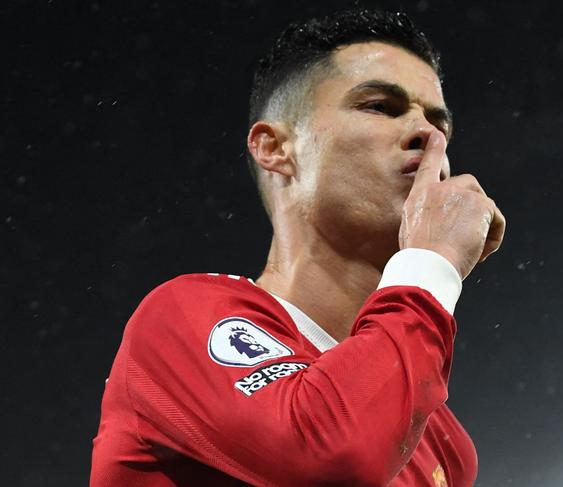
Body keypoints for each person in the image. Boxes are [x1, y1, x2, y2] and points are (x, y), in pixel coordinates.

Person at [90, 8, 505, 487]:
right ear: (275, 148)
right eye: (379, 106)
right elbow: (331, 459)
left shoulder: (439, 442)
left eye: (439, 124)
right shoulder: (180, 317)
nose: (428, 135)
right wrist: (432, 265)